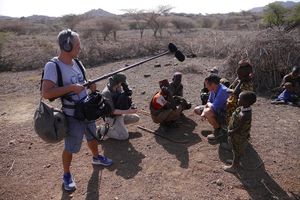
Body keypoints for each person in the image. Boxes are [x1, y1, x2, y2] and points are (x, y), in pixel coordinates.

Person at [42, 29, 112, 191]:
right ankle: (66, 174)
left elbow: (84, 83)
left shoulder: (78, 63)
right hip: (72, 115)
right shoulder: (53, 66)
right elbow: (46, 93)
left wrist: (91, 87)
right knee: (71, 146)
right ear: (66, 46)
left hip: (88, 110)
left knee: (92, 136)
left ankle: (96, 157)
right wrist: (71, 88)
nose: (80, 48)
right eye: (77, 45)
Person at [223, 91, 257, 173]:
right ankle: (235, 162)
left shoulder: (245, 114)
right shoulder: (242, 108)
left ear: (246, 102)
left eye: (239, 99)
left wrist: (231, 132)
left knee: (237, 150)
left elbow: (239, 128)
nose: (237, 100)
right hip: (235, 135)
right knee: (235, 149)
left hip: (238, 136)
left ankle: (235, 166)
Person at [101, 73, 140, 140]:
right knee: (124, 136)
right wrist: (128, 111)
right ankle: (103, 130)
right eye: (121, 82)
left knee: (136, 118)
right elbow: (112, 111)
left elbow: (128, 93)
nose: (122, 84)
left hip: (120, 114)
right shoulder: (106, 93)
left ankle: (119, 127)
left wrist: (131, 105)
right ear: (117, 82)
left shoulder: (118, 87)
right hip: (112, 117)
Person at [194, 74, 229, 141]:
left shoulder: (223, 91)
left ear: (212, 84)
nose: (205, 86)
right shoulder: (214, 89)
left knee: (208, 112)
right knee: (197, 110)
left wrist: (205, 111)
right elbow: (209, 101)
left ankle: (218, 131)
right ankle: (219, 125)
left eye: (206, 84)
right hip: (217, 110)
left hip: (225, 114)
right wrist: (203, 113)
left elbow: (213, 107)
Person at [226, 60, 254, 125]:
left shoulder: (247, 84)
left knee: (234, 121)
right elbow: (229, 89)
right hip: (232, 102)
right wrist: (240, 81)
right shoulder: (239, 78)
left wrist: (240, 82)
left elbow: (234, 92)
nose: (238, 70)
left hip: (238, 106)